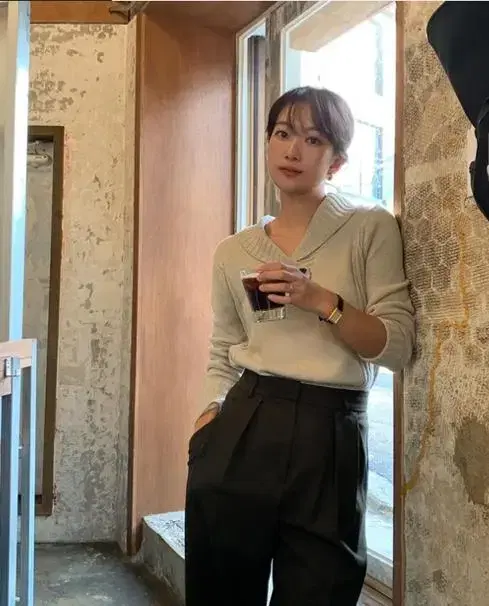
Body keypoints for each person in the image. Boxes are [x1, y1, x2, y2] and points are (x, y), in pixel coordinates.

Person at [185, 86, 415, 606]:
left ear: (337, 161)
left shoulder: (369, 227)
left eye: (313, 140)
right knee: (220, 592)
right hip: (245, 420)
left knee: (322, 589)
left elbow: (397, 346)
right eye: (283, 133)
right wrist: (207, 421)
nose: (293, 150)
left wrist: (321, 301)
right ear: (267, 142)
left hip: (331, 430)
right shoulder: (233, 250)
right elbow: (225, 348)